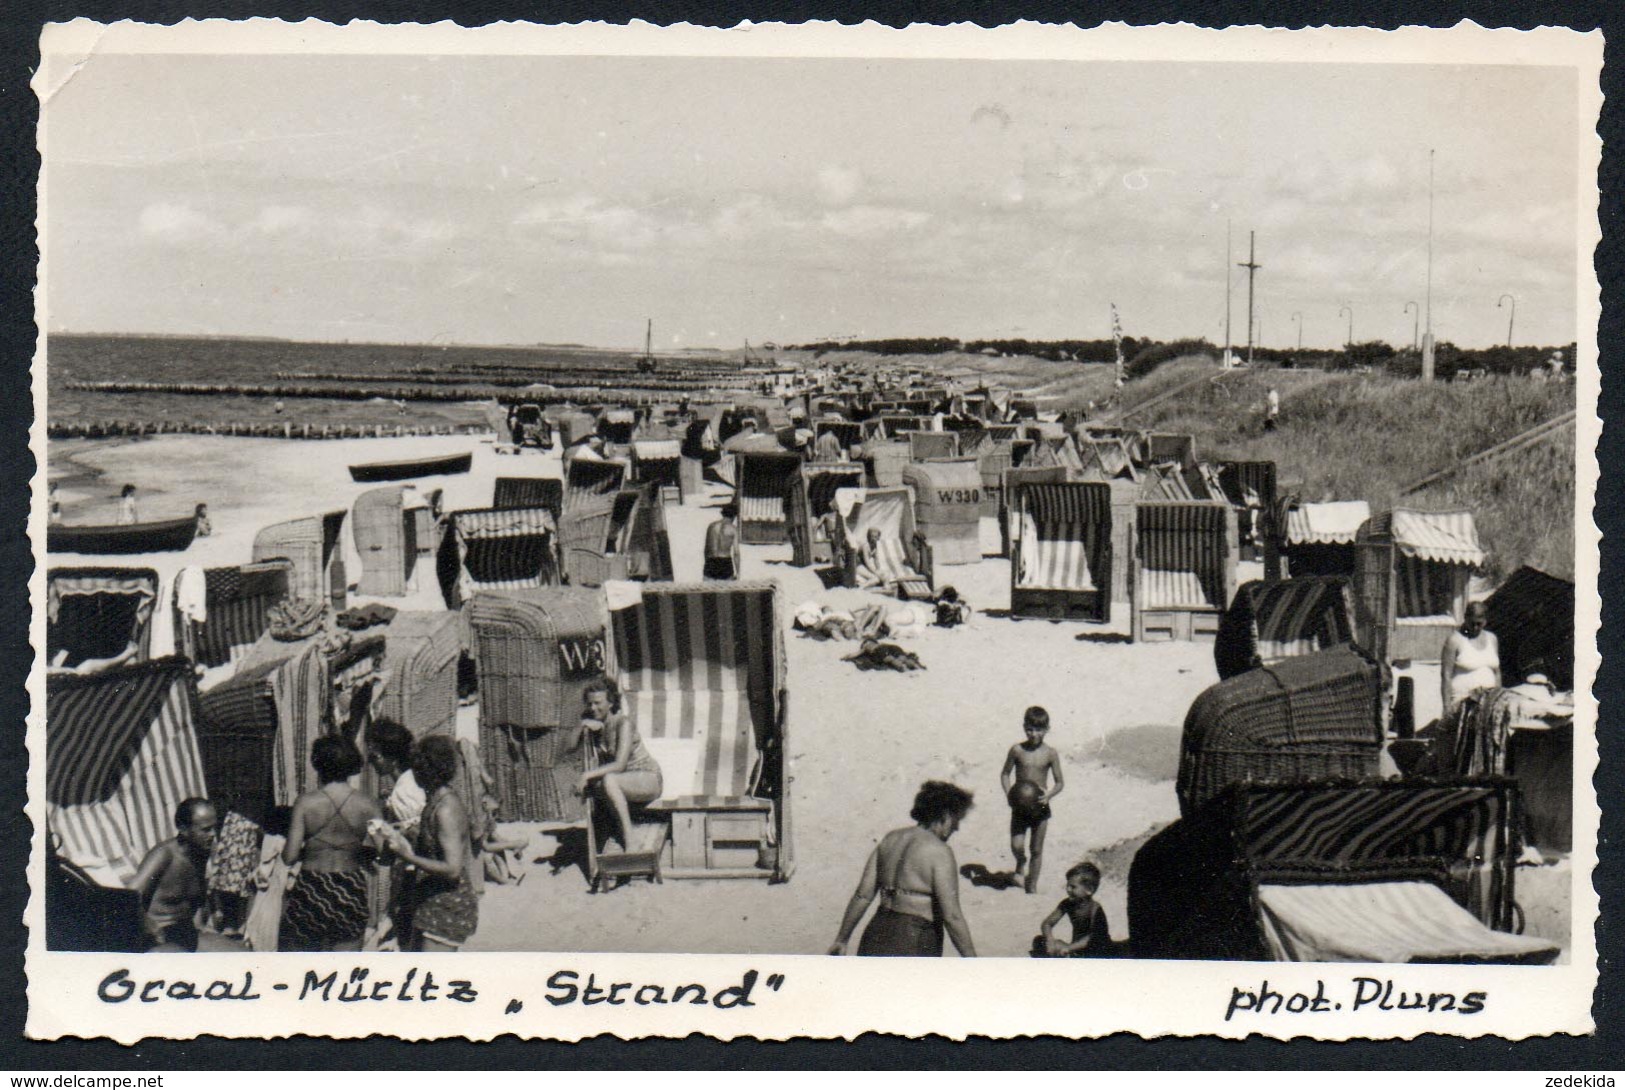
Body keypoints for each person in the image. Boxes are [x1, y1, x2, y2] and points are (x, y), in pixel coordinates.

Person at [829, 781, 977, 958]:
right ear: (945, 815)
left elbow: (863, 895)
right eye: (956, 819)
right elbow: (952, 916)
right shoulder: (939, 852)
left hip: (876, 931)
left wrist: (841, 939)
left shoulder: (890, 839)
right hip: (914, 939)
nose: (957, 827)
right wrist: (972, 959)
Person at [279, 736, 381, 952]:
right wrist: (359, 851)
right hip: (350, 888)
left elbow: (289, 856)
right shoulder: (369, 805)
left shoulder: (306, 803)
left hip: (311, 888)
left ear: (318, 763)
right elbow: (386, 854)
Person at [378, 735, 479, 951]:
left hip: (447, 904)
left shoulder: (445, 809)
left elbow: (452, 868)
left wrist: (408, 856)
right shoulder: (436, 801)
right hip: (432, 901)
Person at [576, 677, 663, 852]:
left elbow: (620, 765)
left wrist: (586, 775)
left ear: (611, 702)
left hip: (647, 778)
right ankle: (608, 837)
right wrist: (580, 726)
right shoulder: (599, 726)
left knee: (609, 780)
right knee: (601, 783)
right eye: (590, 704)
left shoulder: (624, 723)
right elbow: (568, 747)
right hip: (625, 781)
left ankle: (630, 840)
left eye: (598, 703)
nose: (593, 708)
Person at [130, 798, 218, 951]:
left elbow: (196, 898)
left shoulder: (201, 853)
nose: (213, 835)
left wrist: (201, 924)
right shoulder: (164, 854)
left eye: (214, 828)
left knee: (240, 953)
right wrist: (150, 926)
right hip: (158, 936)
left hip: (186, 933)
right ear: (183, 829)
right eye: (205, 829)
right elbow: (129, 896)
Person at [1001, 705, 1065, 894]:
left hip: (1040, 807)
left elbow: (1060, 782)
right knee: (1016, 845)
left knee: (1036, 849)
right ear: (1023, 727)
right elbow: (1005, 774)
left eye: (1038, 729)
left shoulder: (1050, 753)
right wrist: (1008, 794)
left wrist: (1049, 794)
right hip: (1019, 806)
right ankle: (1020, 861)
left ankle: (1032, 886)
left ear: (1047, 730)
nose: (1033, 734)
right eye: (1029, 729)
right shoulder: (1017, 750)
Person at [1032, 862, 1113, 958]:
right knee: (1039, 941)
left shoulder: (1095, 909)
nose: (1068, 889)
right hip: (1074, 947)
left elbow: (1092, 937)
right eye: (1068, 885)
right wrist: (1050, 940)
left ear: (1089, 890)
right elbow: (1047, 923)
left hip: (1097, 949)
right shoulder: (1067, 903)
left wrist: (1069, 948)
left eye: (1073, 887)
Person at [1441, 600, 1501, 713]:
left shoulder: (1492, 639)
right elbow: (1446, 675)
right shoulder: (1455, 640)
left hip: (1489, 704)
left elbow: (1496, 672)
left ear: (1485, 621)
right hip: (1462, 703)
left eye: (1479, 624)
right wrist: (1446, 706)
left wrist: (1498, 698)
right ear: (1465, 618)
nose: (1475, 627)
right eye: (1472, 623)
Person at [367, 719, 425, 828]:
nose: (370, 761)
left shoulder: (404, 792)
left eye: (375, 757)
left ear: (393, 758)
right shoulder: (413, 779)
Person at [703, 503, 739, 581]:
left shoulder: (711, 526)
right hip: (725, 562)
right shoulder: (733, 529)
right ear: (734, 516)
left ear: (723, 514)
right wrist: (738, 572)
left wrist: (707, 564)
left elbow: (706, 549)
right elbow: (736, 553)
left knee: (709, 591)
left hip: (711, 561)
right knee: (726, 591)